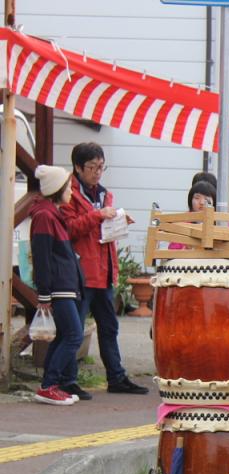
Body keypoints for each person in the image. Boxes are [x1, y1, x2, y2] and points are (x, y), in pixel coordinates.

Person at [60, 142, 148, 396]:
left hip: (104, 269)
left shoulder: (103, 193)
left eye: (101, 167)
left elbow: (102, 227)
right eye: (91, 167)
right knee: (74, 330)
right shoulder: (69, 193)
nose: (97, 172)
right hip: (82, 270)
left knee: (109, 327)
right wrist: (99, 215)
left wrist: (119, 220)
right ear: (77, 167)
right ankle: (67, 379)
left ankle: (116, 376)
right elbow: (69, 229)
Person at [30, 166, 85, 406]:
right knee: (73, 335)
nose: (72, 192)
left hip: (64, 287)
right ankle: (48, 385)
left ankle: (48, 385)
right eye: (68, 187)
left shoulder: (51, 214)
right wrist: (44, 293)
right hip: (59, 288)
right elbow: (42, 257)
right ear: (57, 189)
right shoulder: (45, 216)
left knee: (65, 335)